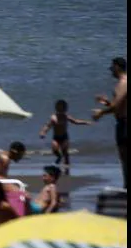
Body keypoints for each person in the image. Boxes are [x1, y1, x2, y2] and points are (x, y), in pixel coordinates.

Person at [93, 56, 128, 188]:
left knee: (125, 157)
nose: (111, 71)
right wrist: (106, 102)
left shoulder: (123, 83)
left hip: (125, 124)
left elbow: (116, 107)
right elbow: (118, 105)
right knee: (124, 157)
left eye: (112, 68)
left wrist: (101, 112)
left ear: (117, 67)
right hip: (122, 122)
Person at [41, 100, 90, 171]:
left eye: (63, 109)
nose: (61, 110)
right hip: (56, 137)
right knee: (54, 149)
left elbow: (75, 121)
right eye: (59, 109)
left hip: (65, 136)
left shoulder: (66, 116)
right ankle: (59, 157)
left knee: (65, 152)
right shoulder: (53, 117)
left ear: (65, 109)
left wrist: (85, 122)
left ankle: (67, 167)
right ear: (56, 108)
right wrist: (43, 132)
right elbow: (48, 126)